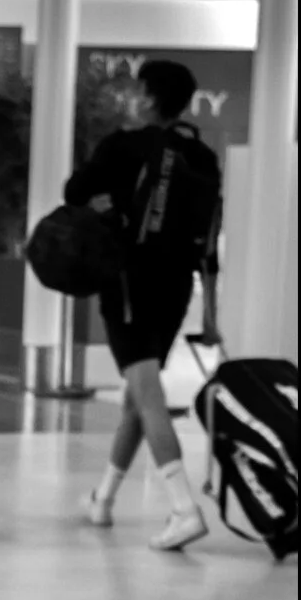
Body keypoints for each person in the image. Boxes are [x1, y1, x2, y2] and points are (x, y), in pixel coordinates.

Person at [66, 58, 222, 550]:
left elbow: (74, 193)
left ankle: (183, 507)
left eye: (137, 91)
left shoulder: (123, 147)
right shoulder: (202, 156)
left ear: (150, 99)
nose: (129, 98)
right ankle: (103, 499)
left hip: (130, 285)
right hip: (176, 289)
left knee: (148, 396)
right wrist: (212, 312)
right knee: (137, 396)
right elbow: (209, 240)